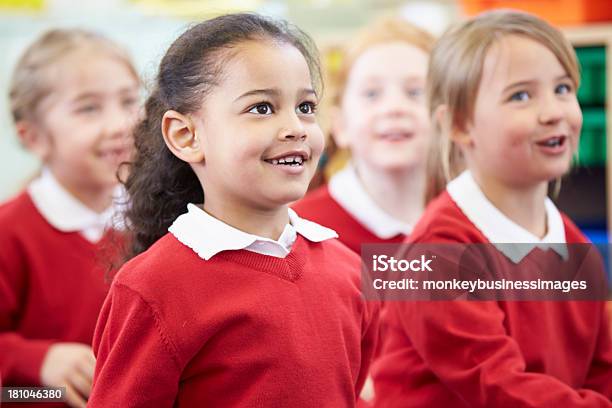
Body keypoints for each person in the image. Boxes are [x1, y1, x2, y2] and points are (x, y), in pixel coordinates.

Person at [88, 13, 379, 407]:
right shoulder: (152, 288)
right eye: (262, 108)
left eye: (306, 106)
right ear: (186, 135)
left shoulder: (347, 271)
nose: (295, 126)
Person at [372, 10, 612, 407]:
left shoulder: (571, 241)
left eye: (564, 89)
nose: (553, 111)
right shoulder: (438, 252)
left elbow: (603, 369)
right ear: (460, 125)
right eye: (521, 95)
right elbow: (499, 388)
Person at [0, 29, 140, 408]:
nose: (120, 125)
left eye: (129, 101)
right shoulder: (9, 232)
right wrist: (37, 362)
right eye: (89, 108)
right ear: (34, 138)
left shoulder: (157, 221)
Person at [293, 17, 434, 254]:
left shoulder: (480, 218)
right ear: (340, 125)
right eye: (371, 94)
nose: (394, 107)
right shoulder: (299, 231)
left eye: (415, 92)